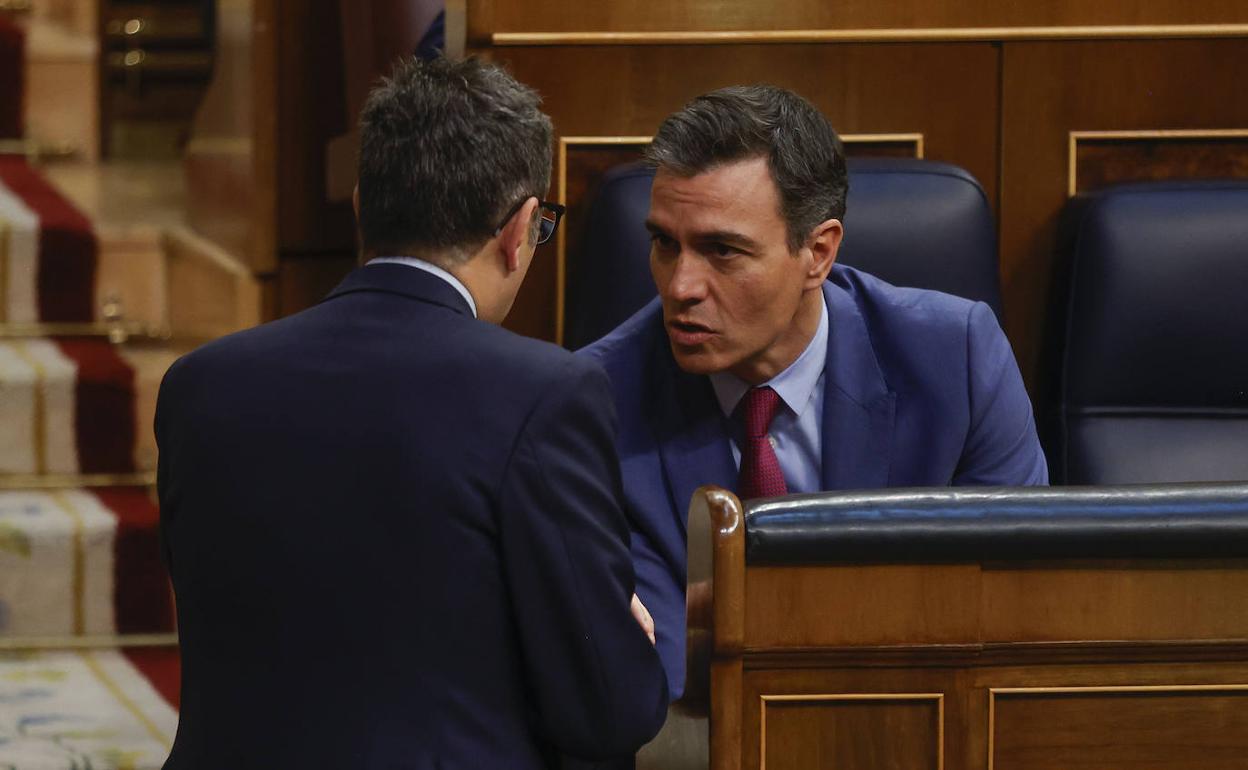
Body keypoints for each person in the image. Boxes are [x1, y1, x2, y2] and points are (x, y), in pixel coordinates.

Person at [155, 56, 667, 768]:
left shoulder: (198, 386)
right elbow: (610, 713)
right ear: (520, 231)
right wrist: (624, 634)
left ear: (363, 203)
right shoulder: (543, 393)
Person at [581, 85, 1048, 701]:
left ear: (818, 253)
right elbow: (668, 681)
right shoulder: (598, 403)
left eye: (722, 250)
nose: (680, 285)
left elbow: (1015, 614)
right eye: (665, 243)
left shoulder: (957, 362)